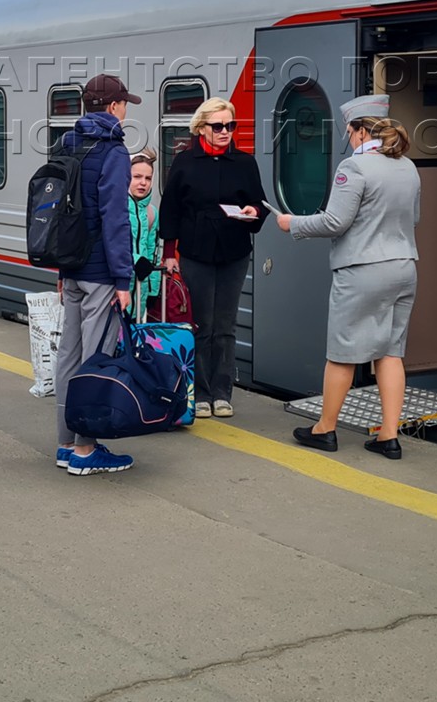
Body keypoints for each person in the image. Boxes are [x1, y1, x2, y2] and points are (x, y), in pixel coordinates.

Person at [278, 94, 421, 460]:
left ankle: (325, 429)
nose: (348, 137)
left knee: (343, 352)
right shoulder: (407, 166)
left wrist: (292, 223)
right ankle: (389, 435)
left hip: (363, 270)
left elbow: (334, 222)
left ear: (359, 131)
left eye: (349, 130)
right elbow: (413, 219)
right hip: (404, 266)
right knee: (390, 352)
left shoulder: (354, 168)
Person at [158, 97, 266, 419]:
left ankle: (222, 392)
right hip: (196, 250)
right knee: (200, 323)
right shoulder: (185, 162)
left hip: (234, 250)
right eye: (217, 126)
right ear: (201, 127)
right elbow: (171, 208)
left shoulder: (245, 163)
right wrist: (169, 253)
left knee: (225, 325)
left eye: (229, 126)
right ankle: (201, 392)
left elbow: (260, 204)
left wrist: (254, 212)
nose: (224, 132)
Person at [53, 73, 138, 476]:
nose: (125, 110)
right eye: (124, 104)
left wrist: (60, 267)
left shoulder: (67, 143)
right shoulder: (115, 152)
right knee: (94, 357)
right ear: (113, 107)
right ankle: (86, 450)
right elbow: (115, 220)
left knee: (68, 355)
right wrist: (124, 279)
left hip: (70, 266)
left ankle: (65, 443)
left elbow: (59, 212)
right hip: (101, 272)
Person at [127, 148, 160, 321]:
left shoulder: (151, 212)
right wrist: (135, 259)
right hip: (119, 290)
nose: (143, 183)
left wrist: (154, 289)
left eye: (148, 178)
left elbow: (153, 251)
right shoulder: (116, 208)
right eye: (137, 177)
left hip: (141, 291)